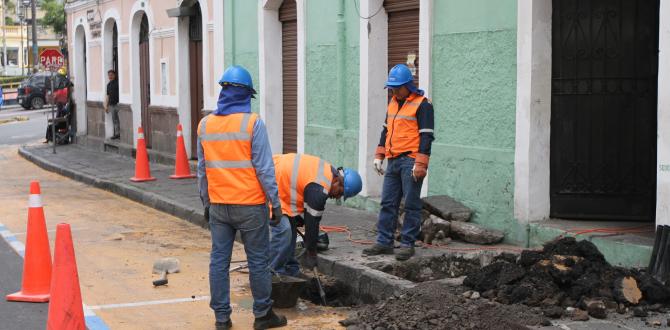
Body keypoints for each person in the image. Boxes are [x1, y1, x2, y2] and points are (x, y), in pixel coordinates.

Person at [197, 65, 287, 330]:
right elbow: (265, 168)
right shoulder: (252, 123)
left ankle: (222, 318)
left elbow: (202, 170)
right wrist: (277, 204)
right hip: (250, 206)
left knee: (219, 261)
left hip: (219, 206)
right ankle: (262, 315)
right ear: (246, 94)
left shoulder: (205, 124)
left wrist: (206, 202)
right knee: (258, 260)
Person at [362, 64, 435, 261]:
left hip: (410, 161)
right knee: (387, 203)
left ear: (408, 86)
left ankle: (407, 243)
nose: (393, 91)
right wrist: (379, 155)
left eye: (397, 87)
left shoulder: (423, 105)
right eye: (391, 88)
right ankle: (384, 241)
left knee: (411, 205)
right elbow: (385, 131)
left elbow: (427, 137)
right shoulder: (393, 103)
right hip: (394, 160)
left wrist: (421, 163)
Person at [269, 153, 362, 276]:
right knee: (284, 231)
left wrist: (296, 216)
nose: (336, 197)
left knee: (290, 230)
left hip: (280, 186)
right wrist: (311, 253)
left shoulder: (327, 173)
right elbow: (311, 224)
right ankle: (272, 275)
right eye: (340, 193)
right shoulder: (320, 189)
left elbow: (300, 184)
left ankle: (290, 272)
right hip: (269, 183)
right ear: (338, 182)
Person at [105, 69, 120, 139]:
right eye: (109, 75)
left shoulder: (118, 83)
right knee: (115, 120)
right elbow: (107, 96)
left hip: (118, 104)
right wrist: (106, 106)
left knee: (119, 119)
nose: (110, 76)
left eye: (111, 75)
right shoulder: (108, 85)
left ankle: (120, 134)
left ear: (114, 75)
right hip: (111, 105)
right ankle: (117, 134)